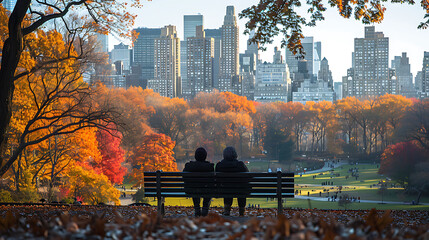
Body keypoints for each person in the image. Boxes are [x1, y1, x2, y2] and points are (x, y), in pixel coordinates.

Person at [215, 146, 249, 216]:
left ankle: (227, 209)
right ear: (235, 154)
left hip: (224, 190)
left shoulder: (219, 166)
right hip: (240, 190)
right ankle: (242, 210)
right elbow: (248, 177)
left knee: (227, 187)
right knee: (241, 188)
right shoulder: (240, 165)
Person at [183, 147, 214, 217]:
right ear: (205, 156)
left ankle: (197, 208)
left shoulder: (189, 166)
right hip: (206, 190)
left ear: (195, 156)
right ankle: (205, 207)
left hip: (191, 190)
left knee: (194, 187)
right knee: (208, 189)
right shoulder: (210, 167)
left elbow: (184, 177)